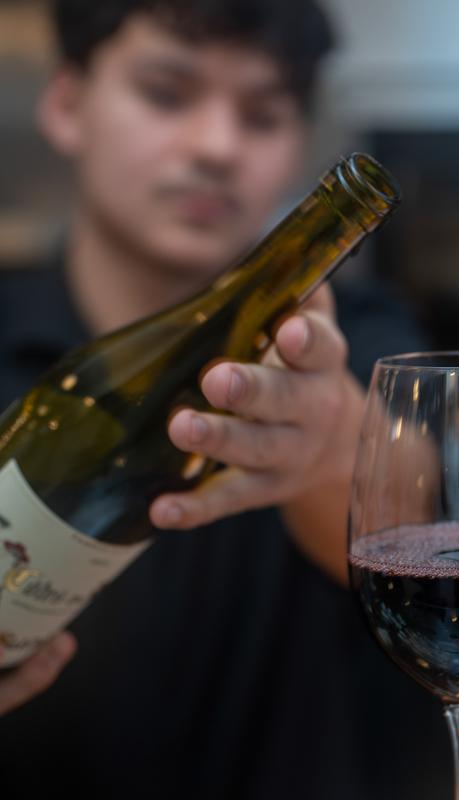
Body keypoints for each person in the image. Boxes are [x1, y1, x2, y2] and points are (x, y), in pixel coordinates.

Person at [0, 1, 426, 797]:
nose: (217, 146)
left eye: (261, 115)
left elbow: (426, 519)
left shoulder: (360, 337)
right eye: (166, 93)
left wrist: (332, 440)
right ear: (66, 103)